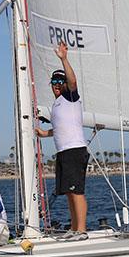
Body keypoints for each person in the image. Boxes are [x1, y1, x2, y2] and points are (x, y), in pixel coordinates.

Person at [35, 40, 88, 240]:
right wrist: (44, 134)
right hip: (63, 151)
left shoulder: (70, 97)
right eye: (54, 83)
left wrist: (64, 58)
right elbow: (60, 129)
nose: (57, 86)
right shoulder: (56, 105)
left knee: (76, 191)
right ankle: (74, 228)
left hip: (75, 150)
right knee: (68, 192)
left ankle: (82, 230)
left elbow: (73, 81)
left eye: (59, 82)